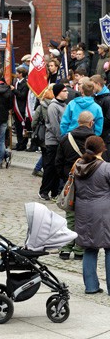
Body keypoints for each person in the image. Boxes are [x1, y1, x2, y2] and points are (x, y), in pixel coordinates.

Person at [55, 111, 95, 260]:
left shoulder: (66, 138)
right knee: (85, 217)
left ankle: (65, 248)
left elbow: (58, 162)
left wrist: (65, 178)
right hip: (90, 183)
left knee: (70, 216)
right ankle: (80, 250)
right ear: (91, 123)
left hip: (71, 181)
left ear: (78, 122)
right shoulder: (95, 141)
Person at [73, 136, 110, 294]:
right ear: (102, 149)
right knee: (109, 248)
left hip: (83, 211)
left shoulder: (77, 166)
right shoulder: (106, 168)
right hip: (104, 212)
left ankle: (91, 286)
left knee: (89, 248)